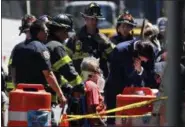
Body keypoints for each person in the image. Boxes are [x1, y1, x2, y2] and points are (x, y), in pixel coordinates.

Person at [10, 20, 67, 126]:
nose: (47, 33)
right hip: (37, 98)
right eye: (45, 30)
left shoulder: (18, 48)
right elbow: (48, 75)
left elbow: (13, 71)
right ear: (39, 32)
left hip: (20, 99)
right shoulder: (41, 48)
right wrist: (61, 95)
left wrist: (16, 88)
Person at [104, 39, 156, 124]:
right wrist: (134, 70)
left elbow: (150, 74)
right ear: (137, 54)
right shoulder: (120, 51)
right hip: (117, 90)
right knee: (114, 120)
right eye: (144, 59)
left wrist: (140, 70)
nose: (146, 61)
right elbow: (117, 77)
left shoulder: (150, 50)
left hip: (139, 93)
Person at [65, 2, 116, 78]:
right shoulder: (74, 39)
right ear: (85, 18)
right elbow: (66, 62)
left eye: (96, 19)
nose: (94, 22)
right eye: (91, 19)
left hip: (100, 81)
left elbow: (115, 57)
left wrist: (106, 43)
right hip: (79, 82)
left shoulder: (104, 40)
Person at [45, 14, 84, 101]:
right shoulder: (56, 46)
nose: (67, 37)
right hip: (47, 96)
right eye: (67, 32)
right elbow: (67, 69)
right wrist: (80, 86)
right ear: (61, 31)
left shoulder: (46, 43)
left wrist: (66, 86)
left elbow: (55, 71)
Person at [8, 14, 37, 91]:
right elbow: (11, 69)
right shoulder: (17, 49)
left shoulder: (17, 48)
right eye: (27, 32)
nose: (29, 35)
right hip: (31, 91)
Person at [81, 57, 106, 126]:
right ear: (92, 74)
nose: (100, 75)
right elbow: (92, 109)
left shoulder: (85, 84)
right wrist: (102, 124)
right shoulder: (93, 86)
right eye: (98, 71)